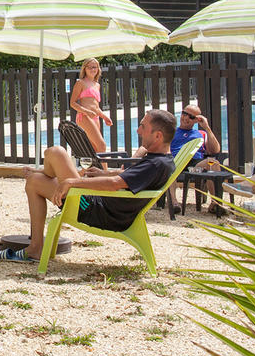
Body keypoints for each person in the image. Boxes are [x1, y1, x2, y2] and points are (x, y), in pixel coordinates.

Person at [13, 108, 178, 265]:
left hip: (93, 209)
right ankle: (35, 247)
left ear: (157, 136)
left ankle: (36, 245)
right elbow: (124, 179)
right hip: (99, 205)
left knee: (56, 152)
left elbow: (115, 184)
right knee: (34, 181)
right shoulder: (161, 160)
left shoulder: (155, 164)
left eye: (143, 126)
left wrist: (73, 182)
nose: (138, 131)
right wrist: (104, 174)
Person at [69, 58, 113, 153]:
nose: (93, 69)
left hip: (95, 118)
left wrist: (104, 117)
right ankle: (104, 169)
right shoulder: (80, 83)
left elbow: (96, 107)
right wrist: (86, 112)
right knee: (102, 145)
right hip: (84, 117)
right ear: (84, 69)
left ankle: (89, 168)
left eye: (95, 67)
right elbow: (72, 103)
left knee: (95, 149)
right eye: (90, 67)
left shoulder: (97, 85)